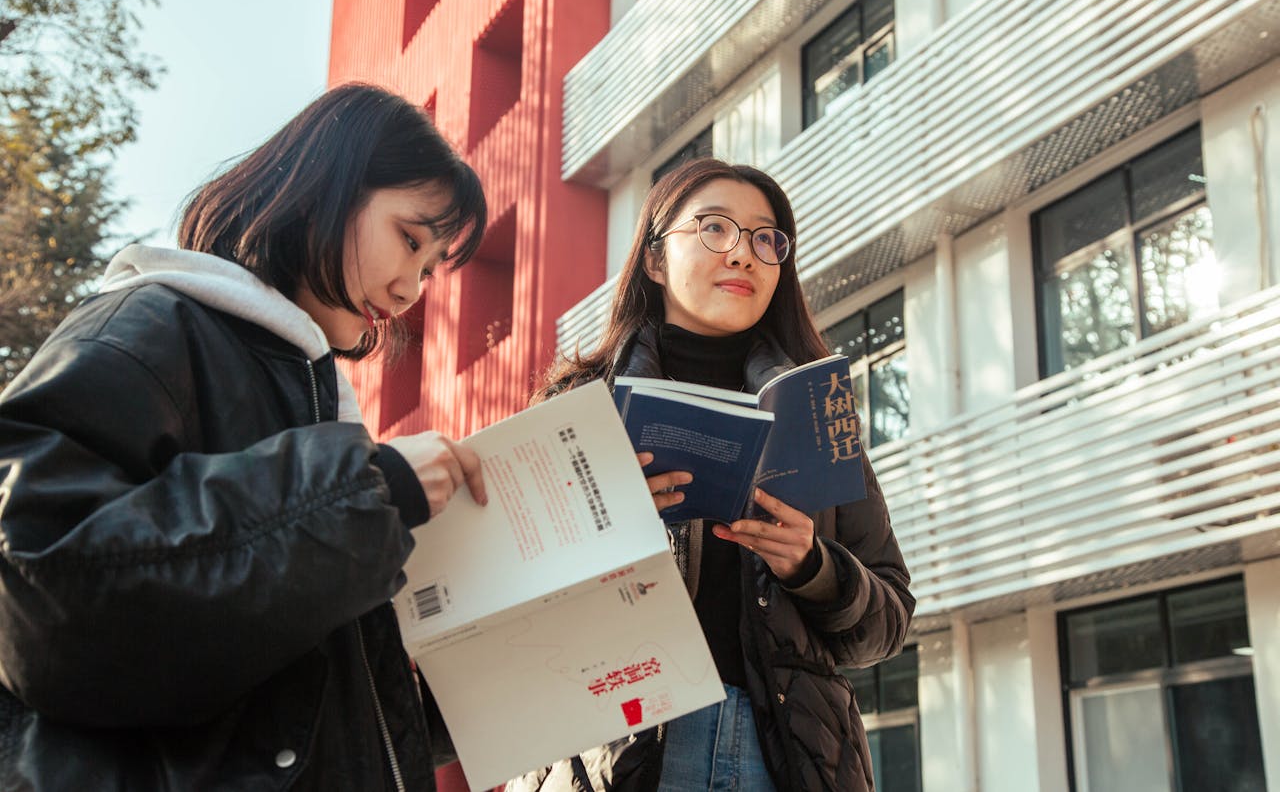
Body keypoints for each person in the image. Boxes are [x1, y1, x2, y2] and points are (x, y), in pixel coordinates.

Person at [0, 83, 490, 791]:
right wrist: (367, 490)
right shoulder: (149, 325)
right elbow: (34, 586)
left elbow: (305, 706)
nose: (412, 288)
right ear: (324, 187)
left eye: (427, 267)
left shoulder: (319, 408)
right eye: (409, 240)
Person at [513, 158, 915, 792]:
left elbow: (888, 623)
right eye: (714, 229)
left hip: (784, 755)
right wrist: (607, 528)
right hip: (619, 751)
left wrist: (812, 567)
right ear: (653, 258)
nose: (743, 254)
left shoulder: (815, 410)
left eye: (765, 238)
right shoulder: (580, 404)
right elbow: (507, 605)